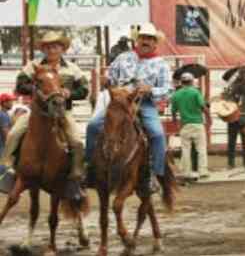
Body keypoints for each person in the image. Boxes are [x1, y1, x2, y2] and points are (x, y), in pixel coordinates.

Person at [84, 23, 171, 192]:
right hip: (118, 102)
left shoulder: (161, 64)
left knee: (158, 134)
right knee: (93, 125)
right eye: (143, 38)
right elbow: (111, 77)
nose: (145, 41)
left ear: (155, 43)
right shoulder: (123, 58)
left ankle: (155, 174)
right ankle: (90, 168)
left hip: (143, 103)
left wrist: (151, 90)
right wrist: (106, 81)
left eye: (149, 39)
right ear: (137, 40)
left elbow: (168, 90)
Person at [1, 31, 89, 188]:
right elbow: (20, 85)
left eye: (55, 46)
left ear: (62, 49)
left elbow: (84, 90)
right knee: (14, 133)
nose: (52, 50)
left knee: (76, 141)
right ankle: (8, 170)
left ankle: (76, 175)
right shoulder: (32, 66)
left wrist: (70, 93)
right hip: (37, 113)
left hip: (63, 112)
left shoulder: (73, 69)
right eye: (48, 47)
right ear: (43, 49)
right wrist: (36, 89)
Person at [171, 72, 210, 179]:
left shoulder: (176, 94)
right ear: (192, 81)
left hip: (185, 125)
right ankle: (203, 171)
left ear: (181, 82)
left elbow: (173, 112)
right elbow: (203, 107)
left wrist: (176, 125)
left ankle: (186, 172)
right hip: (198, 124)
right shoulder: (195, 92)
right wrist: (209, 119)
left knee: (185, 149)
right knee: (201, 148)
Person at [0, 93, 15, 157]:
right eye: (10, 101)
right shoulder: (3, 115)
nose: (12, 103)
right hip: (2, 148)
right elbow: (5, 132)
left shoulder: (5, 114)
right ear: (4, 103)